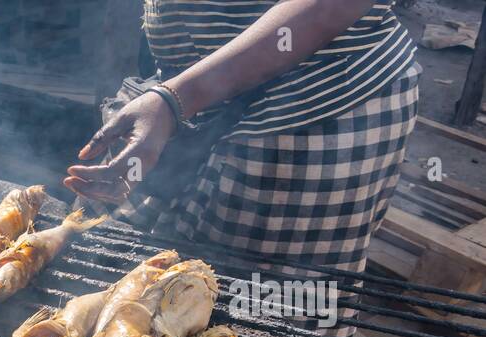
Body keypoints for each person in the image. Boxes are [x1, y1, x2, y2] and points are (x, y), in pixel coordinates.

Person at [65, 0, 419, 274]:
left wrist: (177, 99)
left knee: (253, 315)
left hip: (310, 111)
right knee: (100, 269)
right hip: (180, 91)